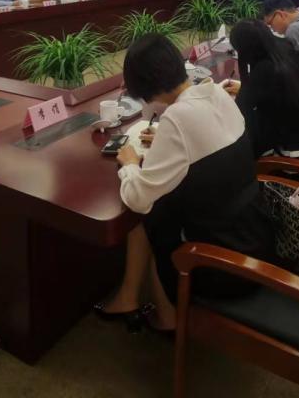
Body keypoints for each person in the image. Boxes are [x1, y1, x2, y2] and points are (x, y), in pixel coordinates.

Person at [96, 34, 275, 332]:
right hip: (256, 236)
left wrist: (129, 164)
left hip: (222, 265)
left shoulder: (177, 118)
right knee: (160, 208)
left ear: (145, 86)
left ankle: (167, 319)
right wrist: (167, 141)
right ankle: (130, 297)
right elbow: (203, 144)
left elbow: (137, 198)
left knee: (152, 215)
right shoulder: (217, 93)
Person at [222, 20, 299, 163]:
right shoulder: (287, 51)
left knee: (242, 136)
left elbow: (242, 109)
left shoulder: (265, 69)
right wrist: (248, 87)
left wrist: (241, 92)